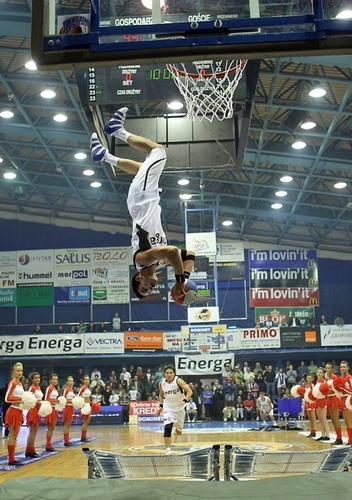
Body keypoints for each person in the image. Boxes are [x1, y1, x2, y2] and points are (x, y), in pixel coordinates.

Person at [90, 107, 196, 302]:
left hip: (141, 199)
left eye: (145, 289)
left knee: (159, 151)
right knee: (142, 168)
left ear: (139, 277)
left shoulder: (141, 260)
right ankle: (103, 155)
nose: (151, 289)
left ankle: (116, 130)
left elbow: (172, 251)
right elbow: (189, 255)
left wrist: (179, 280)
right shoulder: (161, 262)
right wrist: (185, 279)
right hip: (146, 199)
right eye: (149, 291)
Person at [156, 365, 192, 454]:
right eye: (167, 373)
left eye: (171, 373)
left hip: (180, 408)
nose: (169, 375)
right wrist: (161, 406)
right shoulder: (162, 383)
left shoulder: (178, 381)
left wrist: (185, 400)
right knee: (167, 427)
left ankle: (177, 432)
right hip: (168, 408)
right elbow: (161, 395)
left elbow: (190, 391)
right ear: (164, 374)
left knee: (179, 432)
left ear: (174, 373)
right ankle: (168, 449)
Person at [5, 362, 24, 465]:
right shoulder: (12, 383)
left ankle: (12, 457)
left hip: (19, 411)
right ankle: (11, 459)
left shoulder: (20, 384)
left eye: (21, 370)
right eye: (17, 370)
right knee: (12, 436)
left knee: (15, 436)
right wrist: (21, 398)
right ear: (13, 372)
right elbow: (7, 398)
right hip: (13, 411)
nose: (19, 372)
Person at [25, 372, 43, 457]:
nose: (37, 379)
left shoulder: (38, 387)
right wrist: (38, 403)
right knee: (33, 431)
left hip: (38, 410)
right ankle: (31, 450)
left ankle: (29, 450)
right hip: (33, 410)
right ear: (32, 379)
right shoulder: (31, 388)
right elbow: (28, 399)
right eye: (35, 378)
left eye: (38, 378)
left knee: (34, 431)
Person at [325, 362, 343, 445]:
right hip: (329, 398)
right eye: (326, 368)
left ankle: (339, 438)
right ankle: (338, 437)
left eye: (329, 368)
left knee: (336, 419)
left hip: (334, 398)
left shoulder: (335, 377)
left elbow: (336, 389)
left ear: (332, 369)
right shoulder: (328, 378)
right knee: (332, 420)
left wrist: (328, 389)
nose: (327, 369)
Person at [336, 360, 352, 445]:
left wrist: (342, 389)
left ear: (348, 368)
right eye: (341, 367)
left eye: (344, 367)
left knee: (349, 422)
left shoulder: (349, 377)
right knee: (346, 421)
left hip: (349, 401)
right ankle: (350, 439)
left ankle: (351, 440)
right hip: (342, 401)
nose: (342, 368)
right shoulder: (341, 378)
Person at [44, 373, 60, 452]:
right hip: (50, 409)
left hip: (54, 409)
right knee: (50, 428)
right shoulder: (49, 388)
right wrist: (57, 401)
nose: (55, 381)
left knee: (52, 428)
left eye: (56, 379)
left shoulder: (54, 388)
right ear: (50, 380)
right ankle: (48, 445)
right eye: (53, 379)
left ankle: (49, 444)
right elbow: (46, 399)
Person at [314, 368, 329, 441]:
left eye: (320, 372)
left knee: (323, 418)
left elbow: (326, 392)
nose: (319, 373)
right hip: (317, 400)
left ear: (323, 374)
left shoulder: (324, 382)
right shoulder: (317, 382)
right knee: (319, 419)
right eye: (318, 372)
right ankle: (323, 435)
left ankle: (327, 435)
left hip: (322, 400)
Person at [78, 375, 92, 443]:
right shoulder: (82, 388)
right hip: (85, 405)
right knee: (85, 421)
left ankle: (84, 436)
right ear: (83, 381)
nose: (87, 381)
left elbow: (88, 397)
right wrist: (82, 405)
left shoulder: (88, 388)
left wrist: (90, 403)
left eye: (88, 379)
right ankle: (83, 437)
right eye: (85, 379)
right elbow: (78, 396)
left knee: (87, 421)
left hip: (88, 404)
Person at [62, 376, 75, 447]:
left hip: (71, 408)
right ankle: (66, 441)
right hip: (67, 408)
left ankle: (67, 440)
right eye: (69, 381)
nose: (71, 382)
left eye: (72, 381)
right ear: (66, 382)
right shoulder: (66, 389)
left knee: (69, 425)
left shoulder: (71, 390)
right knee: (67, 424)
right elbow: (63, 399)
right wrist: (71, 401)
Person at [304, 374, 317, 438]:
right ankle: (311, 431)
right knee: (310, 418)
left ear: (312, 379)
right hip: (307, 402)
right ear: (306, 379)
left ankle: (314, 431)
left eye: (310, 378)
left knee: (313, 417)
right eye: (308, 378)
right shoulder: (306, 386)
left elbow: (314, 394)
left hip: (312, 402)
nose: (309, 379)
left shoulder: (312, 385)